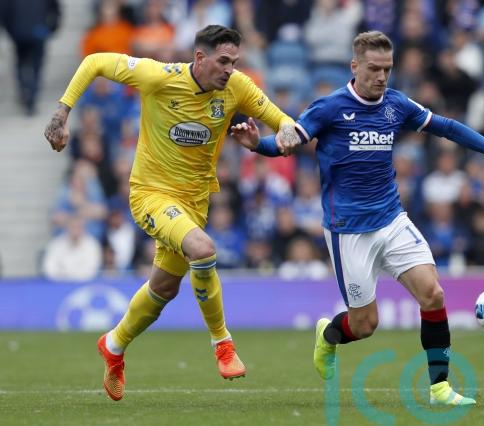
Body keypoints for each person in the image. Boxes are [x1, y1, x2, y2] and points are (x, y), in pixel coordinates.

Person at [231, 31, 484, 405]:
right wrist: (258, 145)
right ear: (355, 66)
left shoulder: (396, 104)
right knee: (365, 325)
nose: (381, 77)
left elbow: (446, 127)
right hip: (349, 231)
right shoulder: (329, 108)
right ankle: (329, 334)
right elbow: (287, 143)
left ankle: (440, 388)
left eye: (387, 69)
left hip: (392, 219)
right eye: (374, 68)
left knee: (433, 293)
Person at [44, 25, 298, 401]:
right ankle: (222, 343)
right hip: (151, 195)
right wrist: (62, 113)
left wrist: (286, 134)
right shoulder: (158, 77)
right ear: (200, 57)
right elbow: (95, 61)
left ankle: (113, 345)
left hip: (194, 204)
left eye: (234, 62)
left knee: (164, 288)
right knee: (203, 249)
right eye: (223, 61)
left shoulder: (238, 87)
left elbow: (282, 120)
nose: (229, 69)